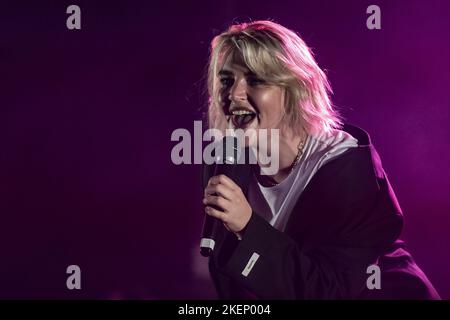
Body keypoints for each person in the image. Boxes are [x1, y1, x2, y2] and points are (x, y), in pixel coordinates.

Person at [201, 20, 440, 299]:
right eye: (226, 81)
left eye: (255, 80)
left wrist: (248, 226)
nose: (234, 94)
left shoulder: (346, 169)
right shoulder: (228, 164)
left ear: (294, 90)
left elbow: (329, 291)